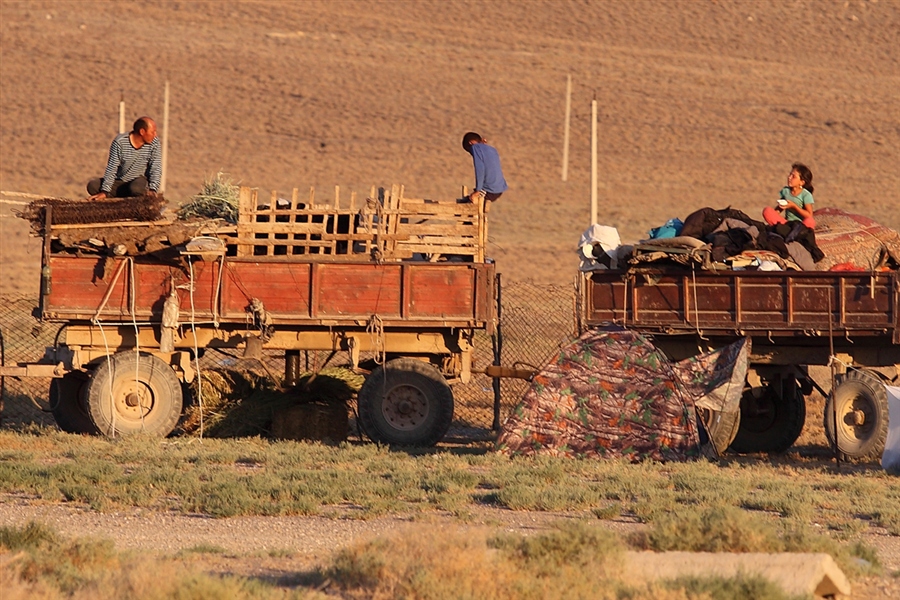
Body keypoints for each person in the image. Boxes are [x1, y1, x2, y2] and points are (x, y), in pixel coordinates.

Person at [87, 116, 161, 199]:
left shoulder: (154, 143)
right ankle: (117, 195)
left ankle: (136, 195)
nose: (155, 135)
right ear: (142, 132)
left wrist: (153, 189)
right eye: (153, 132)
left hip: (139, 181)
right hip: (120, 182)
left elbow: (156, 167)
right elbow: (112, 167)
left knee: (137, 188)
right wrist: (105, 191)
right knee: (93, 186)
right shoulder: (120, 142)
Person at [461, 132, 507, 208]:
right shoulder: (492, 149)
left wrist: (477, 191)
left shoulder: (475, 147)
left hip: (490, 189)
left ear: (470, 143)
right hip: (499, 187)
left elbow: (480, 170)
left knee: (469, 209)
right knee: (468, 203)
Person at [763, 163, 815, 229]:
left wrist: (794, 206)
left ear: (802, 182)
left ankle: (796, 232)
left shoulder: (806, 195)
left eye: (793, 176)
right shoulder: (786, 191)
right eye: (790, 174)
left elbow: (809, 215)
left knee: (810, 221)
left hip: (800, 225)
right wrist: (774, 213)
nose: (789, 177)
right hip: (787, 223)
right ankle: (786, 229)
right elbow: (779, 209)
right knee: (767, 211)